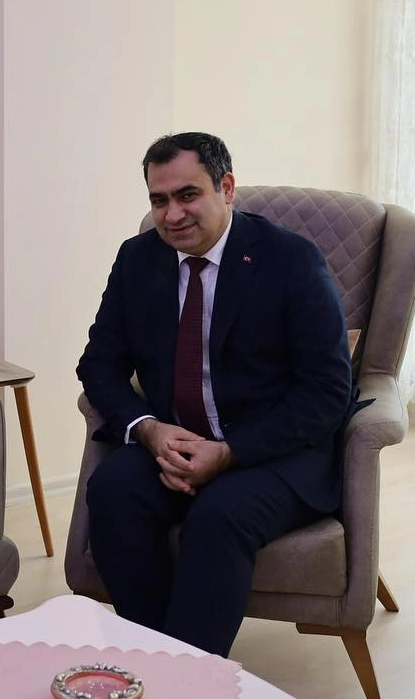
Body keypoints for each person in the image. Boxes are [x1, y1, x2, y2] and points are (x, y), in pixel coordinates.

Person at [76, 132, 357, 657]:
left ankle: (186, 680)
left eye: (188, 195)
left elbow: (327, 391)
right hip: (174, 441)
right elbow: (99, 364)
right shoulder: (138, 259)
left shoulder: (291, 261)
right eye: (159, 200)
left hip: (271, 452)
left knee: (219, 515)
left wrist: (228, 454)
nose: (172, 214)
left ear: (226, 188)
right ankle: (155, 657)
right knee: (113, 490)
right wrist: (148, 429)